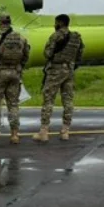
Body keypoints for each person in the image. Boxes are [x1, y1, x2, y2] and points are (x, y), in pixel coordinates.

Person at [0, 12, 30, 145]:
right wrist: (18, 67)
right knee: (13, 105)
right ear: (9, 23)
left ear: (0, 23)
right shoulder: (21, 39)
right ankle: (14, 135)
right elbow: (26, 56)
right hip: (15, 74)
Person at [36, 14, 85, 142]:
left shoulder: (56, 36)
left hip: (55, 71)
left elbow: (47, 54)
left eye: (56, 22)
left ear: (60, 23)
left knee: (48, 100)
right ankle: (65, 131)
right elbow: (80, 56)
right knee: (68, 101)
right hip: (69, 70)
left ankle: (44, 131)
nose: (54, 25)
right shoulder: (76, 38)